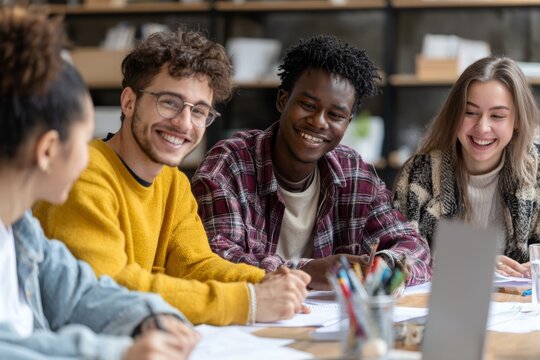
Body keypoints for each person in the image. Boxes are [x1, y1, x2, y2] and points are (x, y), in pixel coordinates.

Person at [34, 28, 310, 326]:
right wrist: (249, 302)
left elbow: (195, 265)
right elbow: (110, 289)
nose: (183, 123)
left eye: (199, 111)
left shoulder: (174, 182)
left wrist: (266, 281)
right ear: (129, 102)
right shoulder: (84, 174)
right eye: (169, 102)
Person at [0, 6, 198, 359]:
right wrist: (118, 354)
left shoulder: (19, 229)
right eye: (83, 137)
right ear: (47, 150)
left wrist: (150, 318)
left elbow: (78, 291)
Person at [191, 35, 432, 290]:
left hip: (323, 325)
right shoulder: (231, 164)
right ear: (283, 101)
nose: (319, 122)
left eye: (335, 115)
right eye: (308, 105)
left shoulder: (353, 173)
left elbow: (414, 247)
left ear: (347, 123)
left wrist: (386, 264)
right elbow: (216, 260)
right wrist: (307, 271)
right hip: (250, 322)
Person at [392, 56, 540, 278]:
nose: (482, 127)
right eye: (470, 112)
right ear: (455, 114)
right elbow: (399, 261)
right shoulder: (419, 173)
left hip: (518, 308)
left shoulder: (536, 170)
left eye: (497, 116)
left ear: (517, 121)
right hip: (442, 307)